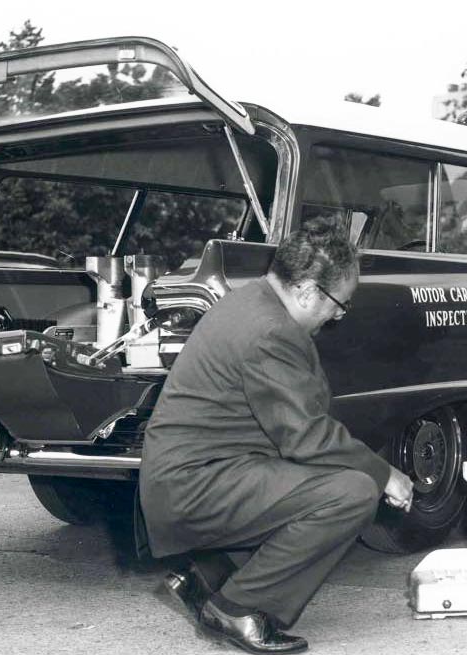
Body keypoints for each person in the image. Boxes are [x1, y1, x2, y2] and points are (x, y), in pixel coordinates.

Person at [137, 219, 414, 654]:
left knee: (324, 479)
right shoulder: (271, 330)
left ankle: (210, 573)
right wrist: (384, 474)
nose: (339, 315)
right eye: (340, 304)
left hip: (195, 475)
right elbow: (308, 438)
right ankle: (238, 605)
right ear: (306, 291)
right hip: (194, 488)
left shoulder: (250, 301)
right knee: (353, 491)